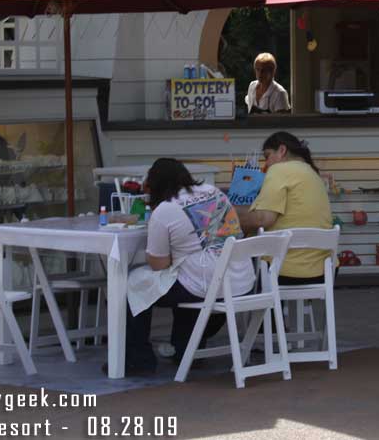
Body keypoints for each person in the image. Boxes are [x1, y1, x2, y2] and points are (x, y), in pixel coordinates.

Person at [124, 158, 254, 375]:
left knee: (135, 283)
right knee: (183, 277)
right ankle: (186, 350)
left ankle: (138, 360)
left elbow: (159, 264)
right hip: (242, 280)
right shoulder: (214, 191)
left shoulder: (164, 210)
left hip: (208, 286)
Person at [238, 131, 331, 284]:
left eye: (267, 156)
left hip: (285, 270)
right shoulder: (312, 173)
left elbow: (263, 219)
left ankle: (263, 307)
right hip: (323, 271)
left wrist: (229, 213)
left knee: (238, 266)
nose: (266, 164)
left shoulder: (279, 170)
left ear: (282, 150)